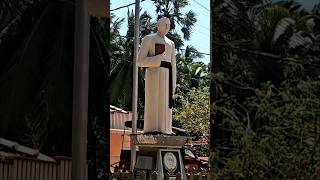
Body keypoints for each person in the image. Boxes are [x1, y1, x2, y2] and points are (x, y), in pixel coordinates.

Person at [137, 17, 176, 134]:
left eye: (169, 25)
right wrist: (158, 60)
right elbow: (140, 61)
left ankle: (166, 129)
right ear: (158, 25)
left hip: (168, 75)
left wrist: (174, 82)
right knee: (154, 100)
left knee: (166, 103)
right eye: (165, 24)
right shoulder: (149, 39)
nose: (167, 27)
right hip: (154, 74)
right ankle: (152, 128)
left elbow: (173, 65)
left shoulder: (171, 43)